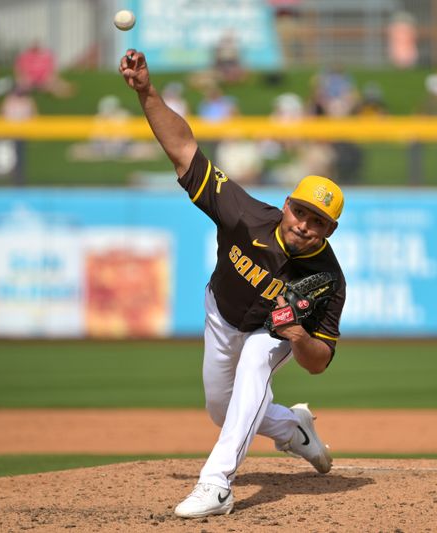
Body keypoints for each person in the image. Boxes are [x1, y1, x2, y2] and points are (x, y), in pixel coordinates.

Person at [119, 49, 346, 519]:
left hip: (271, 332)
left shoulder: (328, 279)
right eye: (301, 211)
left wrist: (296, 333)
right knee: (224, 412)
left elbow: (319, 363)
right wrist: (147, 92)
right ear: (286, 205)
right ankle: (293, 429)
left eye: (318, 221)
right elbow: (184, 151)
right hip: (221, 314)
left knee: (256, 363)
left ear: (329, 231)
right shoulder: (244, 215)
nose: (305, 224)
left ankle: (217, 485)